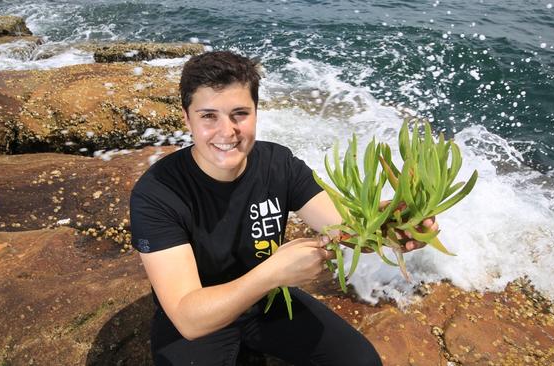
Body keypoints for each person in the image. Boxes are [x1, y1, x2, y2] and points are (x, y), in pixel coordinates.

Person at [130, 51, 435, 366]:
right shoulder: (156, 193)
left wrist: (393, 226)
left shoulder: (279, 164)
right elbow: (188, 318)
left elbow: (346, 230)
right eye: (209, 116)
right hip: (204, 313)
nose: (226, 131)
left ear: (256, 112)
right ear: (187, 118)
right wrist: (275, 271)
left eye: (239, 113)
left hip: (268, 302)